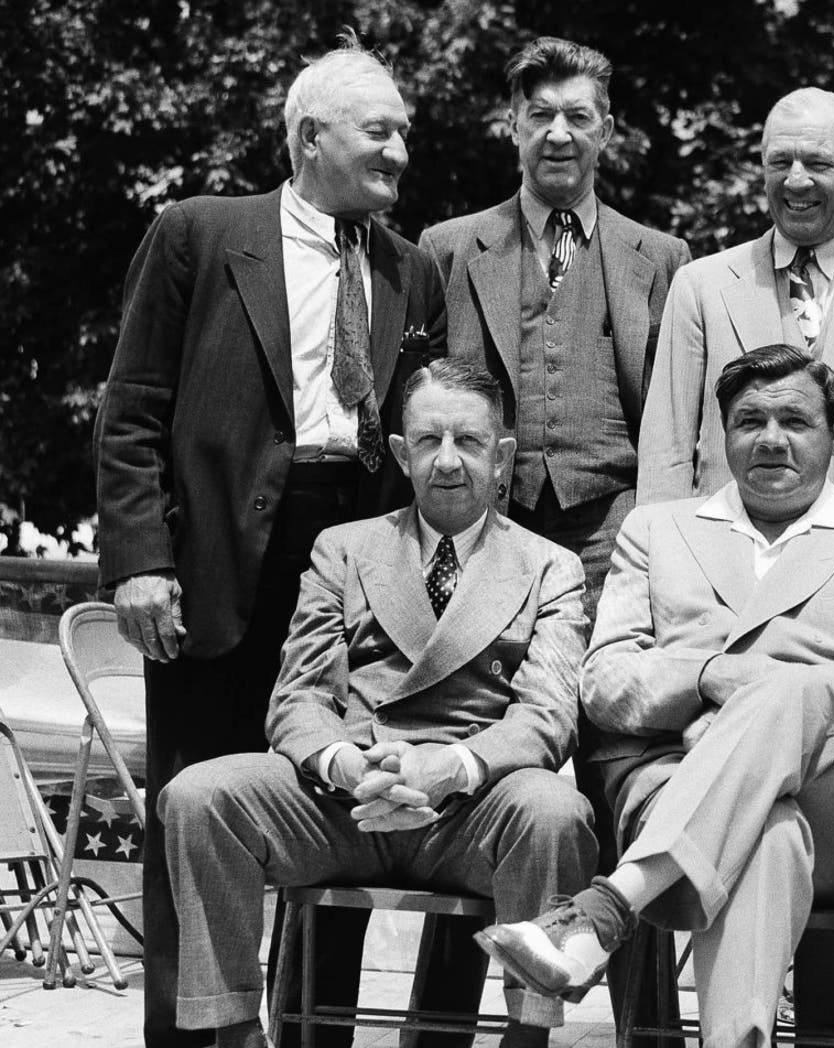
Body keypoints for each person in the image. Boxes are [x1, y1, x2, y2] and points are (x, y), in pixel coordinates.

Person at [93, 36, 446, 1047]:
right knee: (192, 812)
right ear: (307, 136)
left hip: (353, 565)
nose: (398, 153)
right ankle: (193, 1034)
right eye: (379, 131)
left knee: (334, 805)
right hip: (212, 563)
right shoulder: (199, 233)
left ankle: (312, 1034)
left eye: (403, 135)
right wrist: (141, 559)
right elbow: (133, 407)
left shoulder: (406, 266)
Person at [478, 345, 834, 1048]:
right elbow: (605, 683)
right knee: (767, 830)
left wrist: (768, 697)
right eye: (749, 420)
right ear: (720, 434)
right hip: (675, 788)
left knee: (790, 690)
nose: (771, 438)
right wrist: (705, 678)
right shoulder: (657, 530)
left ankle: (611, 904)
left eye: (795, 420)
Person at [157, 359, 596, 1048]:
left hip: (470, 812)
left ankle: (529, 1031)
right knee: (197, 796)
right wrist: (343, 763)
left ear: (503, 455)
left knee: (558, 813)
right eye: (427, 442)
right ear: (399, 451)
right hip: (345, 801)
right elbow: (298, 696)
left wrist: (446, 767)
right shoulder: (344, 548)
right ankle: (233, 1030)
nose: (447, 462)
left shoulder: (550, 567)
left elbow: (546, 720)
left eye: (469, 442)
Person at [420, 35, 690, 611]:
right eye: (540, 116)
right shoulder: (448, 249)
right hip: (485, 518)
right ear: (514, 127)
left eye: (577, 116)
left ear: (606, 130)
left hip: (615, 524)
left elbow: (680, 416)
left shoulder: (664, 257)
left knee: (604, 688)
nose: (558, 133)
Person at [636, 89, 834, 521]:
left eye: (818, 163)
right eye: (780, 162)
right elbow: (665, 453)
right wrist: (662, 563)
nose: (796, 180)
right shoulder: (700, 288)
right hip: (728, 566)